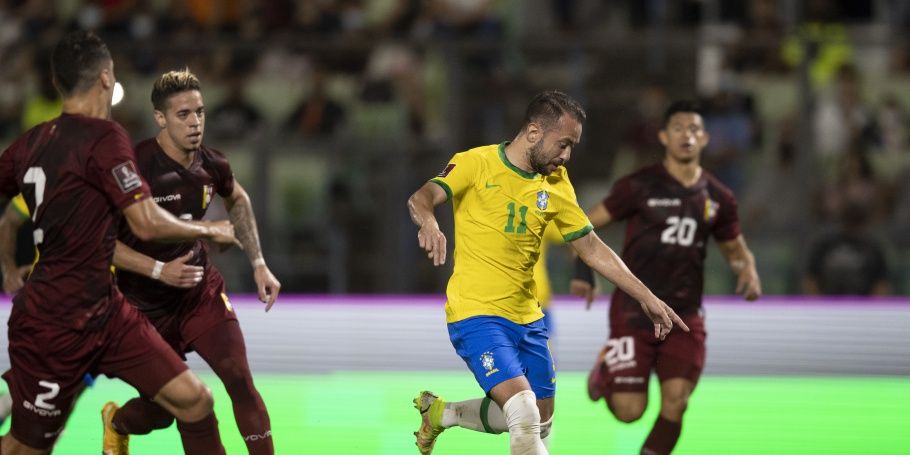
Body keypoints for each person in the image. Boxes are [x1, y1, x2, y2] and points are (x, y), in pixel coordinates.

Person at [406, 90, 688, 455]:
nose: (567, 155)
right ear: (534, 133)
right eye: (564, 144)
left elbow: (590, 246)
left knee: (537, 419)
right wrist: (428, 222)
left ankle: (443, 414)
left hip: (529, 318)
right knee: (523, 413)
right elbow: (421, 197)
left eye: (572, 146)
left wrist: (646, 296)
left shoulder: (556, 184)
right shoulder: (476, 163)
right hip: (476, 315)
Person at [0, 31, 237, 455]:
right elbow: (144, 223)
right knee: (24, 449)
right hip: (57, 321)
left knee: (195, 400)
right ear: (107, 78)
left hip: (108, 311)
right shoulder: (105, 137)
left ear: (57, 84)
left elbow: (9, 210)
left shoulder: (31, 142)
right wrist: (208, 229)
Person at [97, 69, 281, 454]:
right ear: (160, 118)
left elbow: (239, 201)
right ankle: (117, 421)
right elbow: (101, 242)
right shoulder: (134, 168)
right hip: (143, 309)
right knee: (168, 412)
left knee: (239, 380)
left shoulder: (212, 164)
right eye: (183, 114)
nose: (195, 122)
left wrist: (258, 262)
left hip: (199, 293)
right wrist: (159, 270)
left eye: (200, 112)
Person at [573, 100, 762, 455]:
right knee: (629, 412)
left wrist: (747, 269)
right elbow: (582, 226)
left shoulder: (719, 197)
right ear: (663, 136)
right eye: (678, 128)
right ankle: (606, 368)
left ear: (705, 139)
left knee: (676, 401)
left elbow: (735, 249)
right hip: (634, 310)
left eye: (694, 130)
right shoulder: (639, 185)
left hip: (684, 315)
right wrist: (584, 269)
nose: (686, 135)